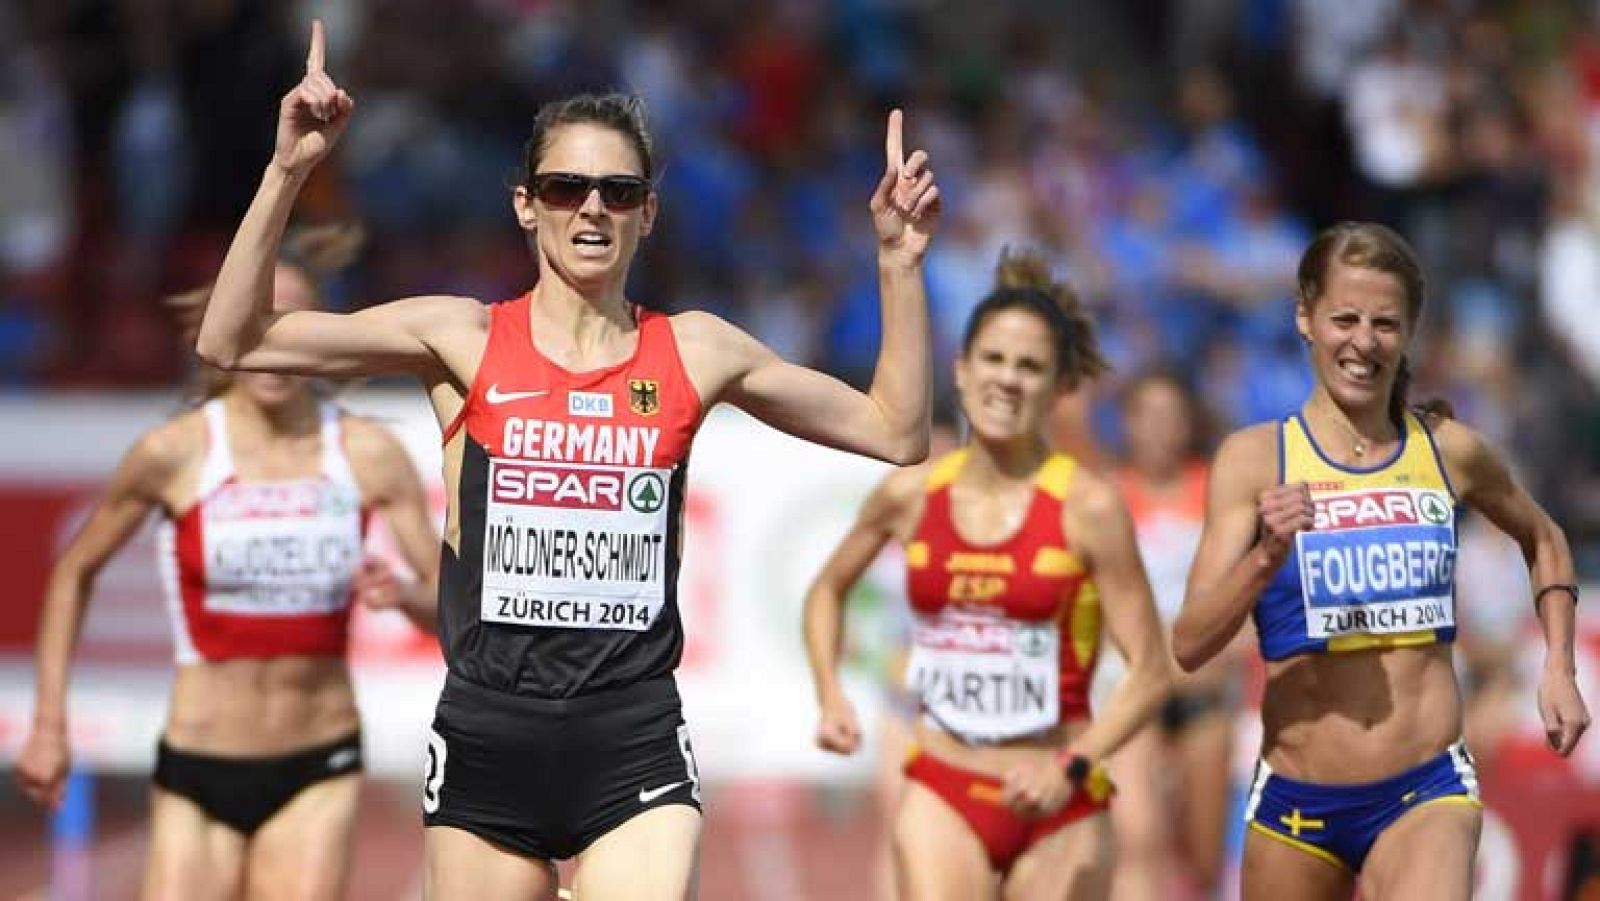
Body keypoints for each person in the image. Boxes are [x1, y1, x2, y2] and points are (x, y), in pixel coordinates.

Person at [194, 21, 941, 901]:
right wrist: (291, 169)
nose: (592, 208)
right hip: (487, 734)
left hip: (632, 734)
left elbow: (896, 430)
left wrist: (897, 264)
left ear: (647, 213)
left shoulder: (697, 351)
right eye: (566, 186)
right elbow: (232, 339)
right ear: (526, 203)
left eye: (618, 191)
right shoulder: (460, 338)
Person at [15, 225, 441, 900]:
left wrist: (408, 596)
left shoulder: (365, 452)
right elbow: (75, 569)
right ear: (226, 327)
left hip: (317, 762)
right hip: (200, 763)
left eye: (289, 322)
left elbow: (453, 610)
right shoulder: (175, 451)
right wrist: (47, 724)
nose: (270, 344)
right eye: (254, 318)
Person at [1172, 221, 1590, 901]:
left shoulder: (1449, 451)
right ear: (1305, 318)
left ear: (1409, 332)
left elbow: (1543, 537)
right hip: (1297, 800)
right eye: (1344, 318)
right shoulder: (1253, 460)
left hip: (1425, 787)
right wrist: (1264, 558)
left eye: (1385, 323)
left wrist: (1558, 666)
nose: (1363, 341)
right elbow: (1189, 642)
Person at [804, 250, 1172, 900]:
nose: (1008, 380)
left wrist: (1074, 763)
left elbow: (1149, 669)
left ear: (1059, 388)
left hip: (1056, 787)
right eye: (994, 360)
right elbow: (827, 589)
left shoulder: (1089, 507)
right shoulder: (911, 495)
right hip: (943, 782)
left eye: (1030, 367)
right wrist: (831, 691)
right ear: (962, 370)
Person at [1099, 370, 1242, 900]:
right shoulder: (1105, 495)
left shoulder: (1215, 492)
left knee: (1204, 855)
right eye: (1146, 415)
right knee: (1139, 838)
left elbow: (1242, 591)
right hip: (1133, 688)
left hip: (1202, 692)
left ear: (1188, 424)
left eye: (1170, 416)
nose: (1158, 429)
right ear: (1127, 423)